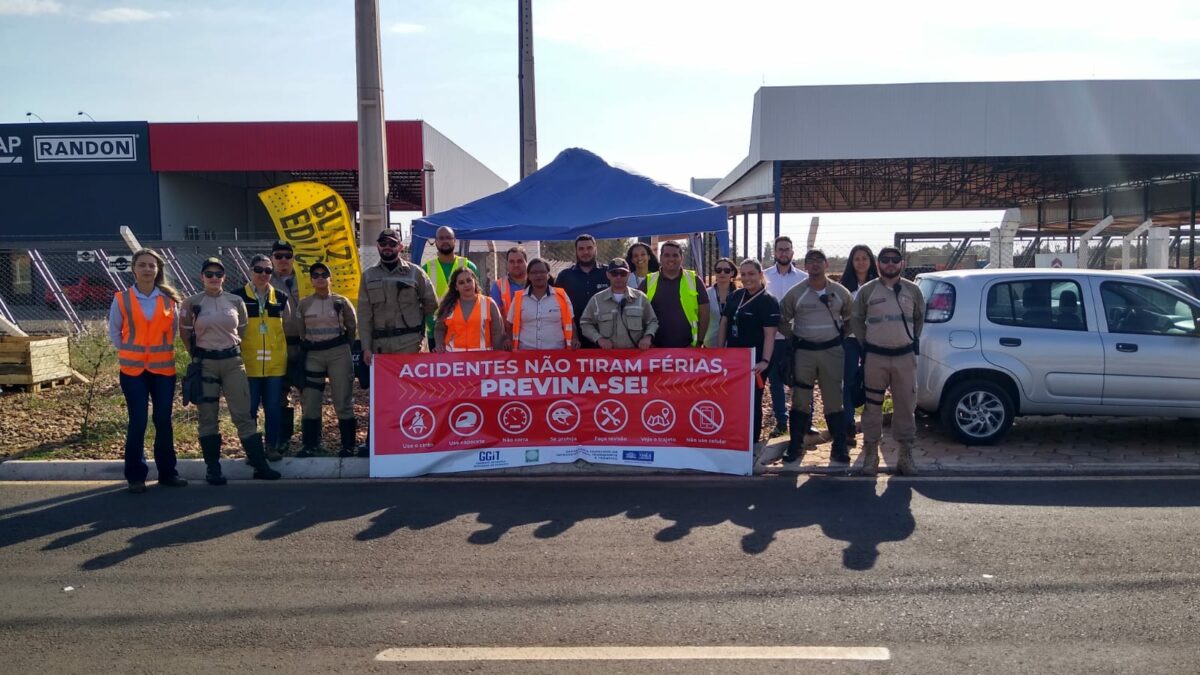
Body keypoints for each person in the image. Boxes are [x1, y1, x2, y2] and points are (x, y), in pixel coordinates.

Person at [179, 257, 281, 484]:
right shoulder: (191, 303)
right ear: (202, 277)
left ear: (224, 277)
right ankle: (213, 469)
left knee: (243, 414)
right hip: (205, 363)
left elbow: (241, 330)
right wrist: (196, 357)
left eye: (218, 274)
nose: (214, 278)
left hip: (233, 362)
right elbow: (185, 334)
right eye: (209, 274)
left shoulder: (235, 301)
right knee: (208, 417)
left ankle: (259, 465)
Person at [108, 248, 187, 493]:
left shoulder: (169, 299)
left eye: (152, 265)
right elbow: (115, 332)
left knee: (163, 420)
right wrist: (134, 352)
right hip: (133, 371)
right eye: (142, 265)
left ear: (158, 269)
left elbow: (172, 332)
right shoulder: (122, 298)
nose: (147, 269)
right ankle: (135, 476)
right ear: (134, 268)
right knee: (138, 421)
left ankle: (167, 473)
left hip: (163, 369)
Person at [849, 246, 926, 476]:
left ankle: (905, 456)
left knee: (905, 405)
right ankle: (871, 454)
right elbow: (857, 320)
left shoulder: (913, 290)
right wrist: (868, 345)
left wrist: (907, 340)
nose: (890, 264)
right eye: (885, 260)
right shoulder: (867, 291)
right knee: (872, 407)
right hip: (875, 358)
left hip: (904, 357)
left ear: (902, 263)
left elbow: (919, 319)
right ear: (878, 263)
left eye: (895, 260)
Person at [778, 249, 854, 465]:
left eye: (818, 261)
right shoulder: (796, 293)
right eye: (809, 261)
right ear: (805, 265)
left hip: (832, 352)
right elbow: (782, 318)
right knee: (800, 400)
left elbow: (851, 318)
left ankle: (839, 447)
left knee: (833, 399)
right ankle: (796, 445)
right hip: (804, 353)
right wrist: (795, 338)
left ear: (826, 264)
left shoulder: (840, 292)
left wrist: (839, 338)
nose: (814, 265)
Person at [294, 262, 359, 457]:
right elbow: (301, 331)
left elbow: (352, 327)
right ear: (311, 280)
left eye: (324, 274)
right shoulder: (304, 304)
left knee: (343, 400)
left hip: (338, 352)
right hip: (314, 355)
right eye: (315, 275)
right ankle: (310, 445)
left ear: (330, 278)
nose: (320, 277)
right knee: (311, 401)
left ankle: (348, 445)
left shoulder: (341, 302)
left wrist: (341, 346)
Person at [231, 254, 292, 461]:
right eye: (259, 270)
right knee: (250, 410)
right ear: (250, 271)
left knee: (273, 408)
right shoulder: (238, 297)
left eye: (268, 270)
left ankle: (272, 447)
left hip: (275, 365)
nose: (264, 274)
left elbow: (289, 325)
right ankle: (253, 450)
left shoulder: (281, 298)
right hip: (249, 364)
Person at [715, 259, 779, 443]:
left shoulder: (768, 301)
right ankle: (733, 437)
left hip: (756, 360)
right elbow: (725, 322)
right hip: (734, 359)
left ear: (760, 275)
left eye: (751, 274)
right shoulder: (736, 296)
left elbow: (770, 335)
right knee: (733, 399)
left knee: (752, 400)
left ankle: (752, 441)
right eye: (743, 274)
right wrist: (720, 352)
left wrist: (765, 361)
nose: (747, 278)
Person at [359, 229, 438, 362]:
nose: (387, 247)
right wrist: (366, 347)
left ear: (400, 247)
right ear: (378, 246)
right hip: (380, 345)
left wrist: (414, 319)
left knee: (410, 383)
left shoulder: (415, 273)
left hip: (410, 344)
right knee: (383, 383)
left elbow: (431, 303)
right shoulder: (368, 276)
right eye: (383, 243)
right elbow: (364, 315)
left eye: (392, 243)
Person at [762, 235, 807, 437]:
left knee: (800, 380)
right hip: (771, 339)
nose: (783, 253)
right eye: (780, 249)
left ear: (792, 252)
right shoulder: (764, 276)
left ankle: (804, 421)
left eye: (787, 249)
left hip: (796, 337)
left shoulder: (803, 278)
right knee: (775, 382)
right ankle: (781, 422)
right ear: (775, 253)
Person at [839, 245, 878, 448]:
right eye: (857, 259)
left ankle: (871, 428)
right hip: (851, 340)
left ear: (871, 261)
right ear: (851, 262)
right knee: (849, 382)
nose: (861, 262)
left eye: (865, 258)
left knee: (872, 383)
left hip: (874, 340)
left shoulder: (879, 285)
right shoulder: (844, 286)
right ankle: (848, 427)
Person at [640, 241, 709, 348]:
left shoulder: (695, 280)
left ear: (681, 258)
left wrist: (699, 342)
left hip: (689, 349)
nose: (671, 259)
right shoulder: (648, 282)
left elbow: (704, 313)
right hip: (654, 350)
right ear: (661, 258)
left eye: (675, 255)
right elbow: (638, 314)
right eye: (667, 255)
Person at [422, 226, 480, 350]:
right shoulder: (425, 269)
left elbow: (478, 298)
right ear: (435, 242)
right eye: (441, 238)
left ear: (455, 240)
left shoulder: (469, 266)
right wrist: (431, 327)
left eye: (448, 238)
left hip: (464, 331)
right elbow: (422, 302)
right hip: (436, 332)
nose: (445, 241)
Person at [268, 239, 302, 455]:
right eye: (278, 256)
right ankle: (282, 439)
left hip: (303, 344)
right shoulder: (265, 280)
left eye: (287, 256)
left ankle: (311, 440)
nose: (283, 260)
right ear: (272, 258)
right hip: (278, 345)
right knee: (280, 393)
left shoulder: (306, 279)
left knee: (308, 391)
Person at [580, 258, 658, 350]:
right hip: (608, 359)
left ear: (629, 275)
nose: (618, 277)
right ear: (608, 275)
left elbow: (652, 321)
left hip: (635, 358)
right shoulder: (597, 300)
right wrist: (599, 339)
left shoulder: (640, 298)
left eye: (623, 273)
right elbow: (585, 323)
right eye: (614, 273)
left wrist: (647, 337)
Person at [555, 234, 609, 348]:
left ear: (595, 249)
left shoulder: (608, 273)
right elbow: (556, 307)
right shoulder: (564, 276)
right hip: (574, 340)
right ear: (576, 251)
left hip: (605, 339)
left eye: (589, 248)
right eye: (581, 249)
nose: (585, 252)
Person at [508, 257, 575, 350]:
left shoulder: (561, 296)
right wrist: (507, 339)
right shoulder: (519, 298)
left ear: (548, 275)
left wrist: (575, 338)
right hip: (525, 355)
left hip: (557, 353)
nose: (538, 275)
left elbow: (571, 321)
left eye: (542, 272)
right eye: (534, 273)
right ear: (529, 276)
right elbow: (510, 324)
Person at [434, 268, 506, 352]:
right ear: (456, 287)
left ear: (474, 281)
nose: (466, 285)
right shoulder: (448, 306)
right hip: (453, 360)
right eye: (461, 283)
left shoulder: (489, 304)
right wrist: (439, 344)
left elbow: (497, 333)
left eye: (469, 280)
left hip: (482, 360)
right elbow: (439, 329)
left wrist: (497, 356)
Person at [704, 257, 738, 347]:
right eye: (719, 270)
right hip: (710, 344)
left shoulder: (739, 295)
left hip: (733, 345)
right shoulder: (706, 293)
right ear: (715, 272)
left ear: (732, 273)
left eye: (726, 270)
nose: (722, 273)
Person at [490, 246, 528, 320]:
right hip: (508, 330)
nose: (516, 265)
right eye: (512, 262)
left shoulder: (535, 283)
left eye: (519, 261)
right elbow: (495, 315)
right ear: (507, 263)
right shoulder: (498, 286)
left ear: (526, 262)